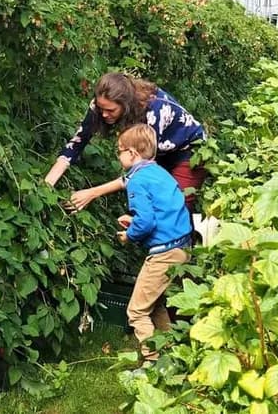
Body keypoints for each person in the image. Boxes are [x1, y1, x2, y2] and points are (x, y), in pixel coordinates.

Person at [44, 72, 206, 214]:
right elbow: (76, 144)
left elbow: (142, 171)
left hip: (188, 150)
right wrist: (47, 184)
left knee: (175, 208)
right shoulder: (100, 105)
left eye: (110, 110)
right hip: (158, 150)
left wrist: (92, 193)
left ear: (126, 106)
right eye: (101, 109)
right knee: (147, 204)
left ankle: (184, 240)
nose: (104, 114)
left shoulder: (153, 111)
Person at [114, 124, 193, 365]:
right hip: (182, 247)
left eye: (119, 151)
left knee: (137, 311)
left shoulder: (137, 180)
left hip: (164, 253)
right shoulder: (160, 173)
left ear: (132, 153)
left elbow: (146, 222)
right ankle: (171, 356)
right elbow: (163, 211)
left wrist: (129, 235)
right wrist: (134, 221)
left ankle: (152, 363)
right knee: (155, 303)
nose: (118, 156)